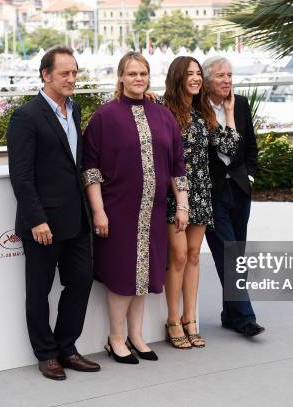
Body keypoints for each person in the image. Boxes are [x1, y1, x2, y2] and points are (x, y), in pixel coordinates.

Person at [82, 52, 188, 364]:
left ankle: (137, 335)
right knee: (122, 276)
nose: (138, 79)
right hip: (118, 212)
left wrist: (182, 205)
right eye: (131, 74)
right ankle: (115, 339)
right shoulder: (105, 117)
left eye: (142, 73)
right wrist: (99, 211)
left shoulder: (163, 116)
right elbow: (90, 169)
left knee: (144, 276)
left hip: (153, 212)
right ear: (121, 77)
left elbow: (177, 166)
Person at [7, 46, 100, 380]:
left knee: (81, 281)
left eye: (75, 72)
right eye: (65, 73)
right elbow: (21, 176)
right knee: (39, 290)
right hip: (42, 224)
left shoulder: (73, 111)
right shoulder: (26, 116)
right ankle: (46, 354)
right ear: (46, 75)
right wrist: (36, 219)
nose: (72, 78)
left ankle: (67, 347)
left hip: (76, 219)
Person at [160, 56, 241, 349]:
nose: (195, 78)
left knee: (194, 256)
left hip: (202, 192)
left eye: (198, 73)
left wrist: (229, 112)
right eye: (190, 73)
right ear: (178, 77)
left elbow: (229, 147)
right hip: (174, 194)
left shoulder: (202, 111)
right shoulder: (163, 110)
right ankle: (172, 320)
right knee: (178, 256)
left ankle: (190, 319)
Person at [202, 56, 266, 337]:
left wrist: (249, 177)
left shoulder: (240, 103)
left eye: (229, 75)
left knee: (237, 254)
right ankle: (244, 318)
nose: (227, 80)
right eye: (220, 76)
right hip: (212, 193)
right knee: (229, 256)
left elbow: (250, 145)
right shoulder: (195, 106)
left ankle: (230, 314)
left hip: (239, 189)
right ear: (206, 80)